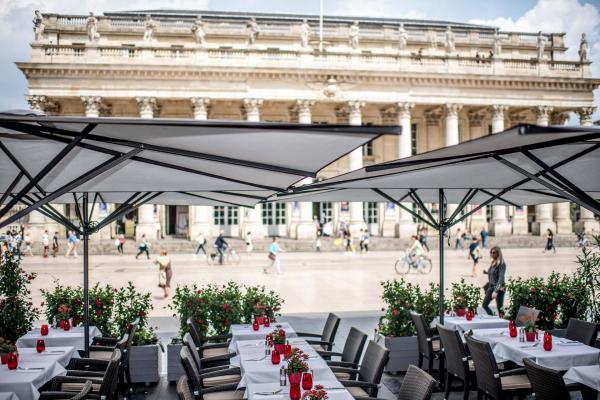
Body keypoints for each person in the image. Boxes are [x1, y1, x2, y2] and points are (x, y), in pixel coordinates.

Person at [482, 246, 506, 316]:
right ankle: (492, 318)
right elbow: (494, 272)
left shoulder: (501, 264)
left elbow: (501, 278)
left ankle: (503, 321)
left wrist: (496, 291)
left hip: (499, 288)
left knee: (500, 308)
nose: (492, 254)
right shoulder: (493, 262)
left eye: (494, 253)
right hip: (491, 286)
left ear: (498, 254)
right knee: (484, 305)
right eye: (491, 252)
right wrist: (487, 272)